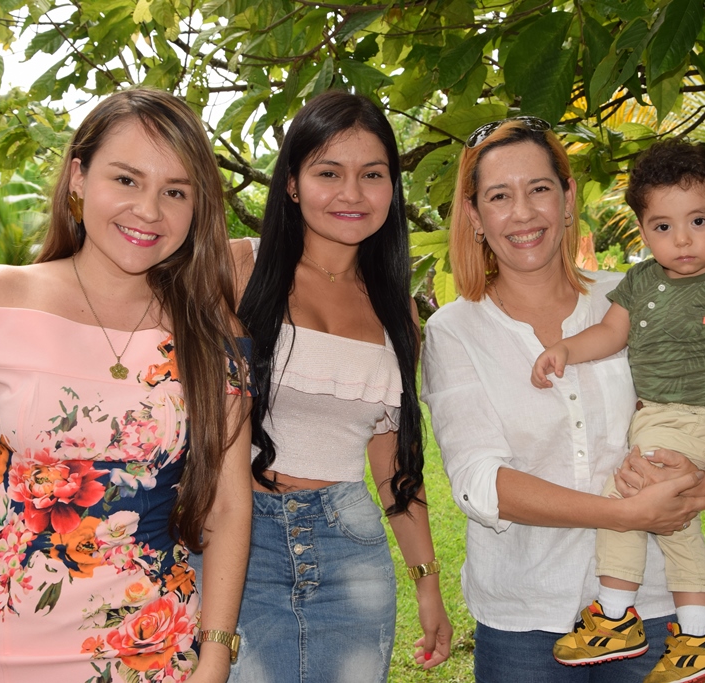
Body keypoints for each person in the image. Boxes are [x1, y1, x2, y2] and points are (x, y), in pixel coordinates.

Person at [0, 88, 253, 683]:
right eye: (126, 179)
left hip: (157, 649)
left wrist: (215, 654)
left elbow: (227, 503)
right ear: (77, 178)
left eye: (175, 191)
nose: (149, 210)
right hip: (0, 647)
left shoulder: (210, 328)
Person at [421, 116, 705, 683]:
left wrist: (699, 475)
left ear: (566, 199)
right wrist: (623, 513)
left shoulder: (631, 297)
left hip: (652, 604)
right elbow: (479, 481)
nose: (524, 212)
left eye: (539, 189)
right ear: (475, 217)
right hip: (524, 616)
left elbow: (701, 403)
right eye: (499, 196)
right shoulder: (455, 331)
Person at [187, 90, 452, 682]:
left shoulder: (398, 313)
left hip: (349, 551)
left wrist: (427, 584)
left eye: (372, 174)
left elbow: (392, 461)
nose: (352, 193)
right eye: (328, 172)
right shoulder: (235, 269)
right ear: (291, 182)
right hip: (236, 542)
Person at [533, 139, 705, 683]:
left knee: (627, 495)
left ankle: (616, 618)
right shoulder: (640, 281)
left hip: (696, 415)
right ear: (642, 229)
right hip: (654, 417)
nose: (682, 239)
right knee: (675, 522)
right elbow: (610, 333)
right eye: (662, 226)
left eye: (698, 220)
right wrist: (567, 349)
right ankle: (696, 634)